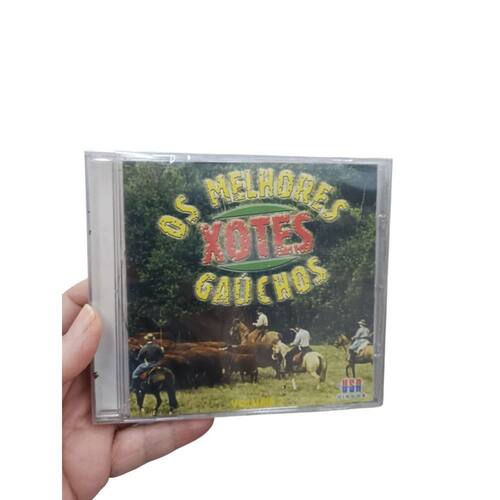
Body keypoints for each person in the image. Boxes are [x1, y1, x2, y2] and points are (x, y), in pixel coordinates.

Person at [63, 280, 213, 499]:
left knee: (135, 375)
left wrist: (144, 356)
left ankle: (135, 388)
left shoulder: (145, 348)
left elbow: (141, 358)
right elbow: (162, 355)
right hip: (158, 364)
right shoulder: (158, 347)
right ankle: (172, 403)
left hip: (146, 366)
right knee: (168, 379)